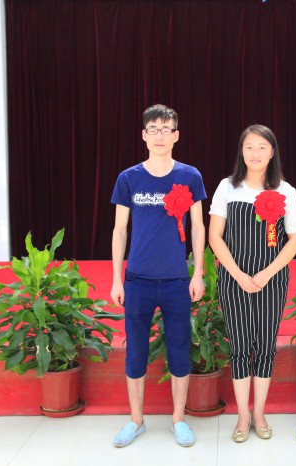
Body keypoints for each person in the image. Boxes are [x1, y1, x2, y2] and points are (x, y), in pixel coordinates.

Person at [110, 104, 206, 448]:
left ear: (176, 135)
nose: (160, 135)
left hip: (177, 281)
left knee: (179, 349)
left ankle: (179, 419)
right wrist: (117, 278)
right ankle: (136, 420)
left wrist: (197, 273)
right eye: (153, 129)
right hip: (137, 281)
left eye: (166, 129)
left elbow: (198, 227)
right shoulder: (129, 178)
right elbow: (120, 230)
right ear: (144, 135)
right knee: (135, 351)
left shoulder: (190, 176)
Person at [208, 124, 296, 443]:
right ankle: (242, 415)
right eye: (249, 147)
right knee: (239, 346)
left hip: (272, 281)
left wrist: (267, 273)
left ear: (272, 152)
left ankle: (259, 412)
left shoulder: (286, 191)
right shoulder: (227, 187)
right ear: (242, 151)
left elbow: (294, 240)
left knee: (264, 346)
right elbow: (215, 236)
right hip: (233, 279)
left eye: (262, 147)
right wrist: (237, 274)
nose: (255, 153)